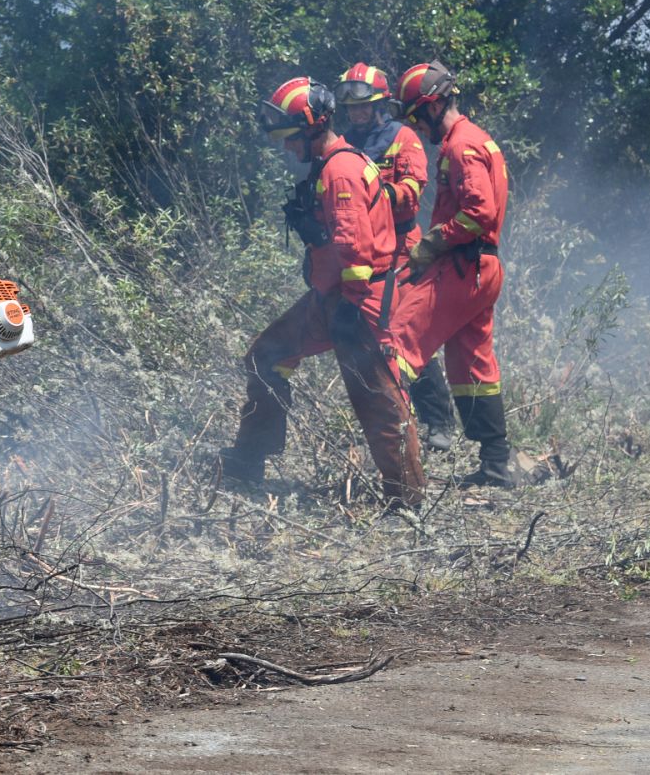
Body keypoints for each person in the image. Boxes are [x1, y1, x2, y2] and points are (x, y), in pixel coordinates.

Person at [220, 77, 425, 508]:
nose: (288, 148)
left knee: (376, 397)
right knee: (267, 354)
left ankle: (407, 502)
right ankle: (249, 460)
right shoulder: (332, 165)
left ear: (314, 127)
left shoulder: (340, 170)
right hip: (331, 297)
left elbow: (355, 245)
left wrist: (350, 307)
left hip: (357, 300)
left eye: (292, 138)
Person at [390, 61, 513, 487]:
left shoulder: (460, 146)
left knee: (399, 344)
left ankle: (398, 469)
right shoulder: (479, 140)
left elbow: (479, 213)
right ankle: (497, 463)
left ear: (432, 105)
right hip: (483, 267)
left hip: (464, 266)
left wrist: (434, 242)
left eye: (415, 117)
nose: (416, 129)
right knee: (471, 362)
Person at [335, 62, 458, 453]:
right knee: (366, 338)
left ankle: (439, 423)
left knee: (405, 336)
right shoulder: (342, 144)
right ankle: (391, 419)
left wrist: (374, 196)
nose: (356, 114)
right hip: (361, 254)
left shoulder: (403, 138)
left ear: (379, 106)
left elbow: (412, 189)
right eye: (351, 108)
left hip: (401, 252)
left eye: (363, 107)